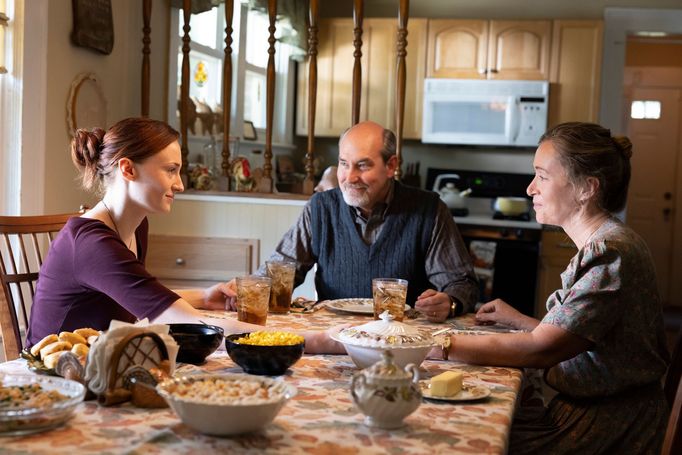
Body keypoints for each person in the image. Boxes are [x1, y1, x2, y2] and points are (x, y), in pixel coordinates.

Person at [434, 122, 670, 454]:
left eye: (542, 177)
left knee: (461, 438)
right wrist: (519, 320)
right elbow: (577, 338)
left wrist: (439, 344)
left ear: (587, 188)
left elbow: (541, 351)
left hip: (607, 427)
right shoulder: (608, 242)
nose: (531, 189)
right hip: (592, 413)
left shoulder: (609, 253)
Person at [26, 117, 339, 354]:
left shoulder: (135, 224)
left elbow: (139, 298)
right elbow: (190, 323)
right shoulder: (92, 244)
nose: (180, 184)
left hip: (101, 364)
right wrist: (320, 340)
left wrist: (204, 296)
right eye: (170, 170)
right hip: (53, 380)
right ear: (128, 169)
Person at [250, 121, 478, 322]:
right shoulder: (320, 208)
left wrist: (450, 302)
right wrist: (245, 292)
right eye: (344, 163)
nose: (349, 178)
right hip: (333, 339)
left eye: (362, 165)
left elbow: (461, 283)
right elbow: (276, 274)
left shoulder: (429, 210)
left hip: (403, 341)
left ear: (391, 166)